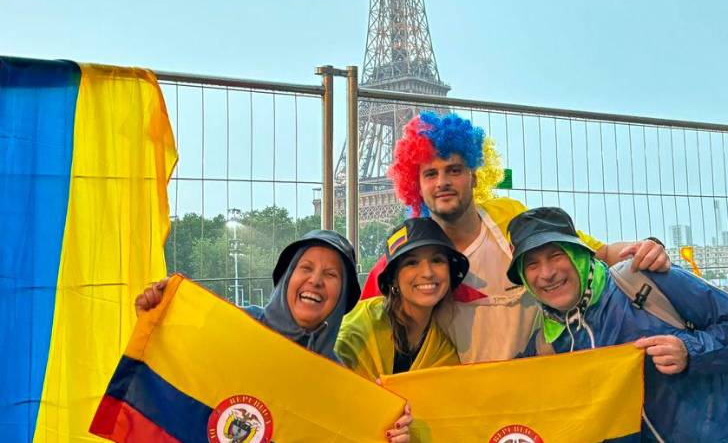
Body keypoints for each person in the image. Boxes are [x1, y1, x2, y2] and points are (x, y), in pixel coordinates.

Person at [360, 111, 671, 363]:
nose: (443, 182)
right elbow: (367, 323)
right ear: (416, 184)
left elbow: (599, 252)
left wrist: (645, 248)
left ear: (474, 176)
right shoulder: (408, 252)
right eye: (431, 174)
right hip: (458, 402)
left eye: (454, 170)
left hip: (532, 385)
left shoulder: (508, 216)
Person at [508, 206, 728, 442]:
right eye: (531, 264)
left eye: (557, 256)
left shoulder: (641, 280)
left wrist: (689, 350)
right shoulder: (546, 345)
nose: (546, 273)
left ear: (580, 254)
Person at [135, 229, 412, 443]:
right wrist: (157, 318)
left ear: (341, 298)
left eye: (331, 274)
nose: (315, 280)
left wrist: (386, 431)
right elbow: (176, 365)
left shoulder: (338, 380)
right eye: (305, 268)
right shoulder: (234, 328)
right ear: (286, 278)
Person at [336, 218, 468, 379]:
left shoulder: (442, 349)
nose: (427, 272)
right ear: (394, 279)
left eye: (437, 260)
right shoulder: (358, 330)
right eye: (412, 262)